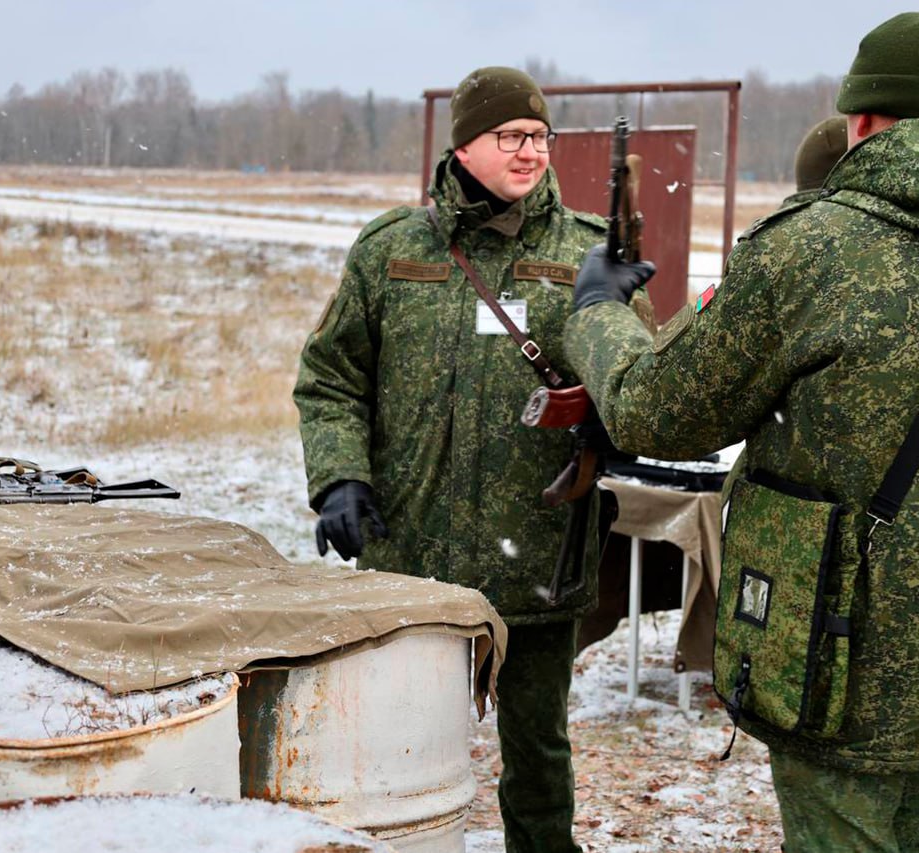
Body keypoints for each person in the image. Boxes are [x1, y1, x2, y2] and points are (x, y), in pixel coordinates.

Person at [561, 12, 919, 853]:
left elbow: (658, 410)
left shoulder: (809, 250)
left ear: (863, 120)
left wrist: (596, 313)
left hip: (835, 676)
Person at [293, 66, 607, 853]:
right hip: (413, 554)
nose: (530, 151)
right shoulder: (393, 249)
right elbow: (331, 377)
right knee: (402, 751)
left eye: (540, 136)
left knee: (538, 757)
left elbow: (639, 391)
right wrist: (339, 475)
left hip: (538, 547)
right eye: (511, 136)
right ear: (464, 144)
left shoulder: (589, 253)